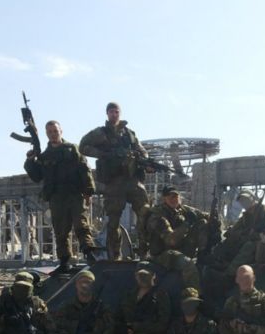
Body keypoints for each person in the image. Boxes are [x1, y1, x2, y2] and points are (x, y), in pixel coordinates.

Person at [79, 102, 152, 260]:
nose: (114, 114)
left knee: (145, 214)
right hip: (114, 182)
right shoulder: (100, 133)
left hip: (133, 180)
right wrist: (104, 154)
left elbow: (142, 150)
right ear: (107, 114)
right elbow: (83, 146)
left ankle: (144, 252)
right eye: (111, 112)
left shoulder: (129, 133)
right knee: (113, 221)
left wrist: (145, 161)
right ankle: (115, 256)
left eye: (116, 111)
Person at [24, 120, 98, 272]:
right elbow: (37, 176)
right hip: (57, 197)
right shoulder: (44, 156)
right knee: (61, 230)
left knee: (81, 225)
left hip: (74, 194)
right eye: (50, 132)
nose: (53, 134)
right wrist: (30, 160)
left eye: (55, 131)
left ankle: (90, 254)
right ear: (46, 134)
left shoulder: (72, 149)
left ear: (61, 131)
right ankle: (64, 260)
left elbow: (84, 169)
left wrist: (88, 191)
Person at [146, 185, 208, 290]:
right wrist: (187, 224)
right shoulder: (157, 216)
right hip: (163, 254)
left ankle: (203, 254)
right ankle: (193, 295)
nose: (174, 199)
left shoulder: (183, 210)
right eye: (171, 197)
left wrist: (214, 219)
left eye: (176, 196)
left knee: (203, 223)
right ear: (164, 199)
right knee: (188, 265)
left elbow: (204, 215)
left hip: (181, 249)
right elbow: (171, 241)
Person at [208, 190, 265, 275]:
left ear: (252, 199)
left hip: (262, 241)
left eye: (246, 200)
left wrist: (250, 235)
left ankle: (229, 273)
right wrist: (232, 232)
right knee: (230, 239)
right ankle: (218, 261)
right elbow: (236, 228)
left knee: (248, 245)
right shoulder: (246, 215)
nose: (244, 203)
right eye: (242, 201)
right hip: (249, 237)